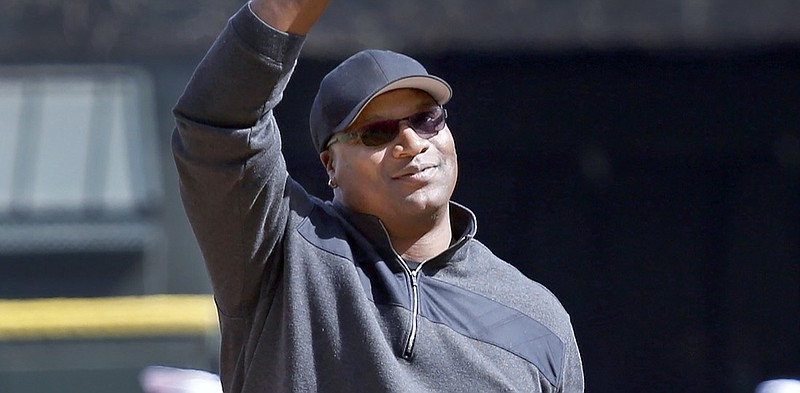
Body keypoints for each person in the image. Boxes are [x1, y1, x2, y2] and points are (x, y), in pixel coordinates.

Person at [171, 0, 584, 391]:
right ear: (330, 165)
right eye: (378, 133)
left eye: (426, 120)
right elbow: (216, 125)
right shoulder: (282, 253)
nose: (412, 142)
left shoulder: (538, 319)